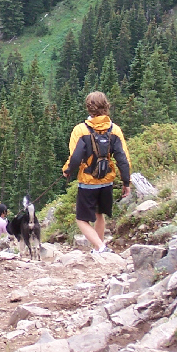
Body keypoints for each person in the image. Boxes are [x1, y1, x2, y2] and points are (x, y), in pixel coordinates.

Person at [62, 91, 131, 253]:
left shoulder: (80, 130)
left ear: (88, 107)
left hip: (88, 181)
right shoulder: (114, 130)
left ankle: (100, 247)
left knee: (81, 219)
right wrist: (126, 182)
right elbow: (123, 159)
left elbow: (75, 157)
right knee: (100, 214)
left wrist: (67, 170)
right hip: (106, 181)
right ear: (106, 106)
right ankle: (98, 249)